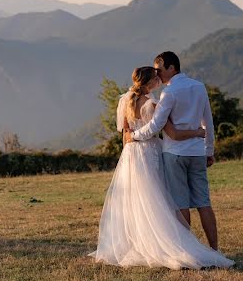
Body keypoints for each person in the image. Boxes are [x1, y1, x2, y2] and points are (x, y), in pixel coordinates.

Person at [90, 66, 233, 269]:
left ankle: (138, 243)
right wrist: (198, 133)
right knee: (161, 199)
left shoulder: (125, 100)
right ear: (151, 83)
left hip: (131, 154)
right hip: (151, 152)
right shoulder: (154, 105)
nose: (160, 80)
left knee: (139, 201)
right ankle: (175, 244)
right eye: (157, 78)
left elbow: (125, 136)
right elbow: (172, 133)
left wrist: (129, 152)